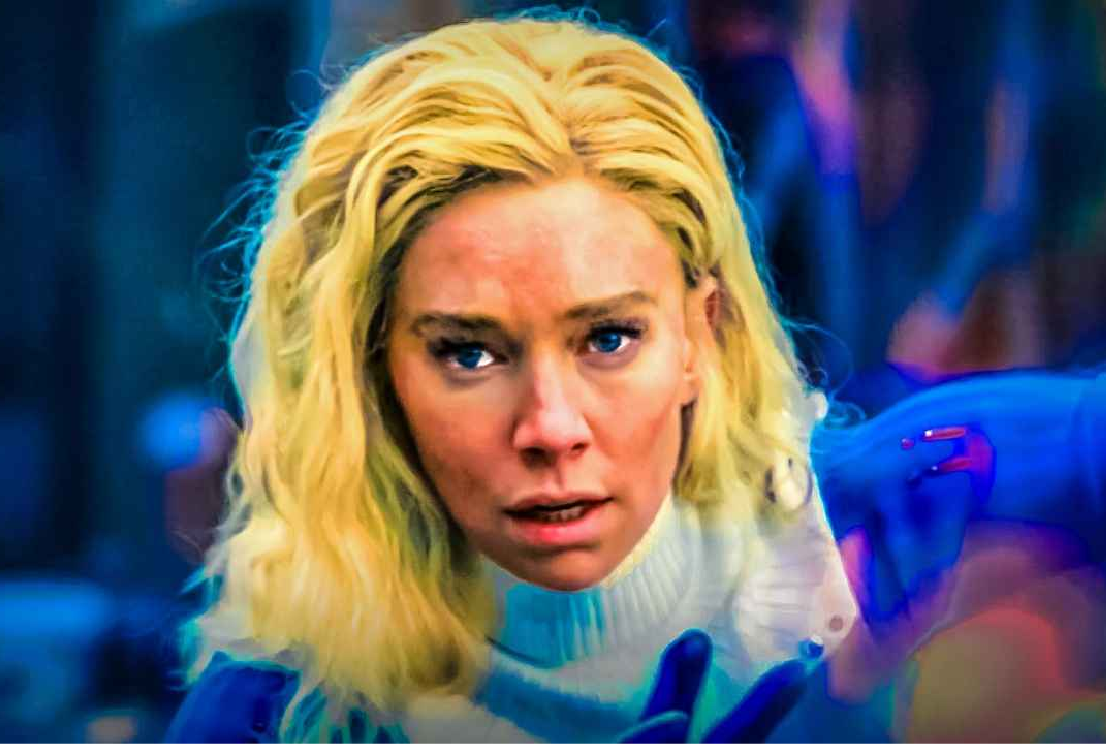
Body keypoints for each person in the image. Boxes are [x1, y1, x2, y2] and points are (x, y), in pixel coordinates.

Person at [166, 12, 858, 744]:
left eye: (609, 339)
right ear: (370, 371)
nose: (551, 428)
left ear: (700, 336)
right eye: (470, 355)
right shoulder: (273, 716)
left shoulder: (873, 584)